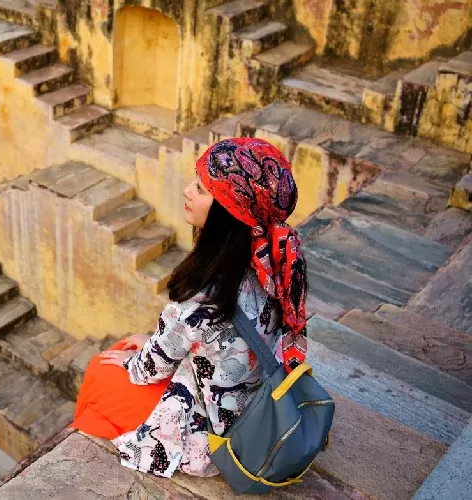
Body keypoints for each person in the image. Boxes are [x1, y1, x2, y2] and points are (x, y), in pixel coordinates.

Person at [71, 137, 308, 478]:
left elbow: (147, 370)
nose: (187, 191)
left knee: (101, 369)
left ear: (228, 213)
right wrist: (154, 339)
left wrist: (132, 358)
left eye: (200, 188)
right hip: (255, 404)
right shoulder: (275, 266)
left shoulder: (205, 293)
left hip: (214, 438)